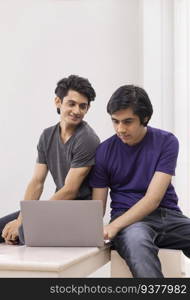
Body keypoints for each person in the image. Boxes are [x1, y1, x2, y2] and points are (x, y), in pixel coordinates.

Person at [89, 84, 190, 278]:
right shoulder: (104, 151)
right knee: (137, 242)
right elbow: (97, 206)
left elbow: (153, 199)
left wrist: (114, 226)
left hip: (167, 216)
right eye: (115, 121)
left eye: (127, 122)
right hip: (128, 221)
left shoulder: (167, 142)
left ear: (144, 118)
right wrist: (103, 228)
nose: (120, 129)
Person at [0, 74, 100, 245]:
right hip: (57, 209)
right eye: (71, 104)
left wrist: (26, 221)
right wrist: (23, 217)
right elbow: (37, 182)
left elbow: (70, 190)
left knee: (25, 232)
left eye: (83, 106)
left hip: (79, 214)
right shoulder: (47, 136)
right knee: (4, 227)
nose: (77, 111)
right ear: (58, 102)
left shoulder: (87, 139)